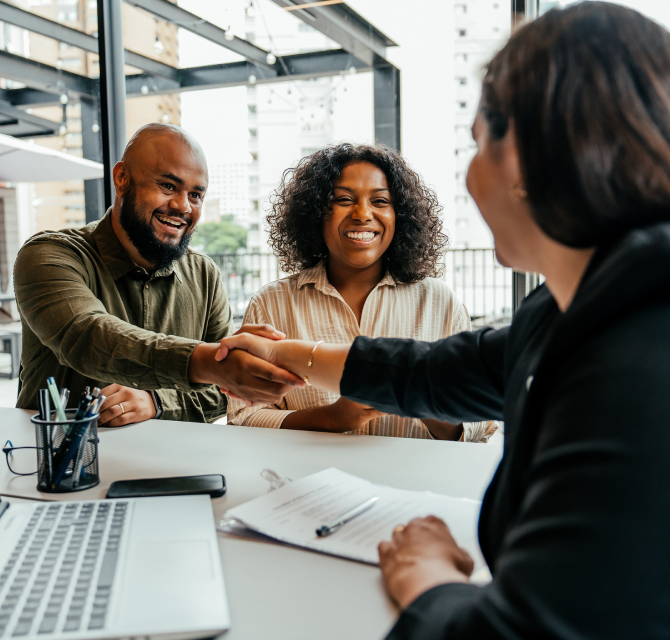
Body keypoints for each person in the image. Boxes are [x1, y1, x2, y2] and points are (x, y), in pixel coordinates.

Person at [215, 3, 670, 637]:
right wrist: (290, 354)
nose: (471, 171)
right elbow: (442, 370)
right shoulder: (575, 307)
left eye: (478, 141)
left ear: (530, 158)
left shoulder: (638, 366)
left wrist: (426, 577)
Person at [15, 123, 303, 426]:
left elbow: (226, 393)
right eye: (168, 186)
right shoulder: (49, 255)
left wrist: (158, 401)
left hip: (175, 466)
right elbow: (88, 337)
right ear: (122, 178)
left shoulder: (204, 274)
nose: (182, 206)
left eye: (195, 195)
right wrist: (208, 363)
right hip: (64, 463)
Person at [228, 143, 496, 441]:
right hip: (305, 482)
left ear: (400, 216)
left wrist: (418, 394)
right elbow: (243, 417)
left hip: (416, 484)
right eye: (343, 199)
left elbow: (479, 425)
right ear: (316, 212)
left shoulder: (439, 302)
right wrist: (331, 419)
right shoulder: (272, 303)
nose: (362, 213)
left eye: (380, 201)